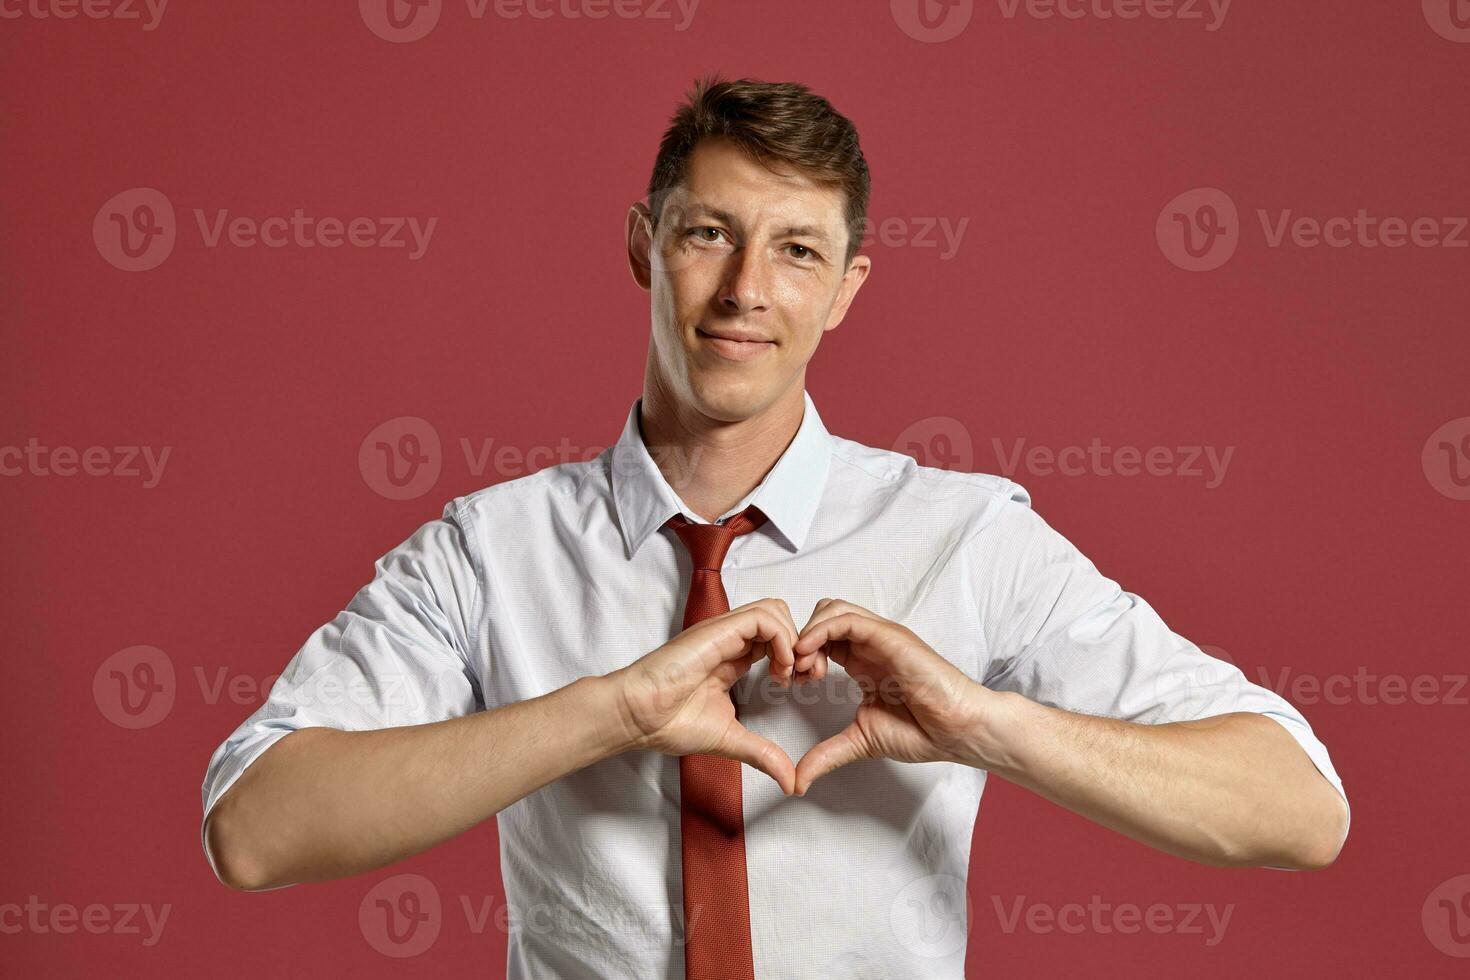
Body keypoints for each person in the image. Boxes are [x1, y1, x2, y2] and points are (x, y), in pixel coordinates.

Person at [200, 75, 1349, 979]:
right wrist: (614, 710)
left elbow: (1299, 806)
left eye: (797, 249)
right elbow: (255, 826)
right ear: (645, 244)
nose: (747, 287)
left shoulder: (968, 536)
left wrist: (985, 722)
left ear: (848, 286)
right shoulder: (488, 551)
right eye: (710, 233)